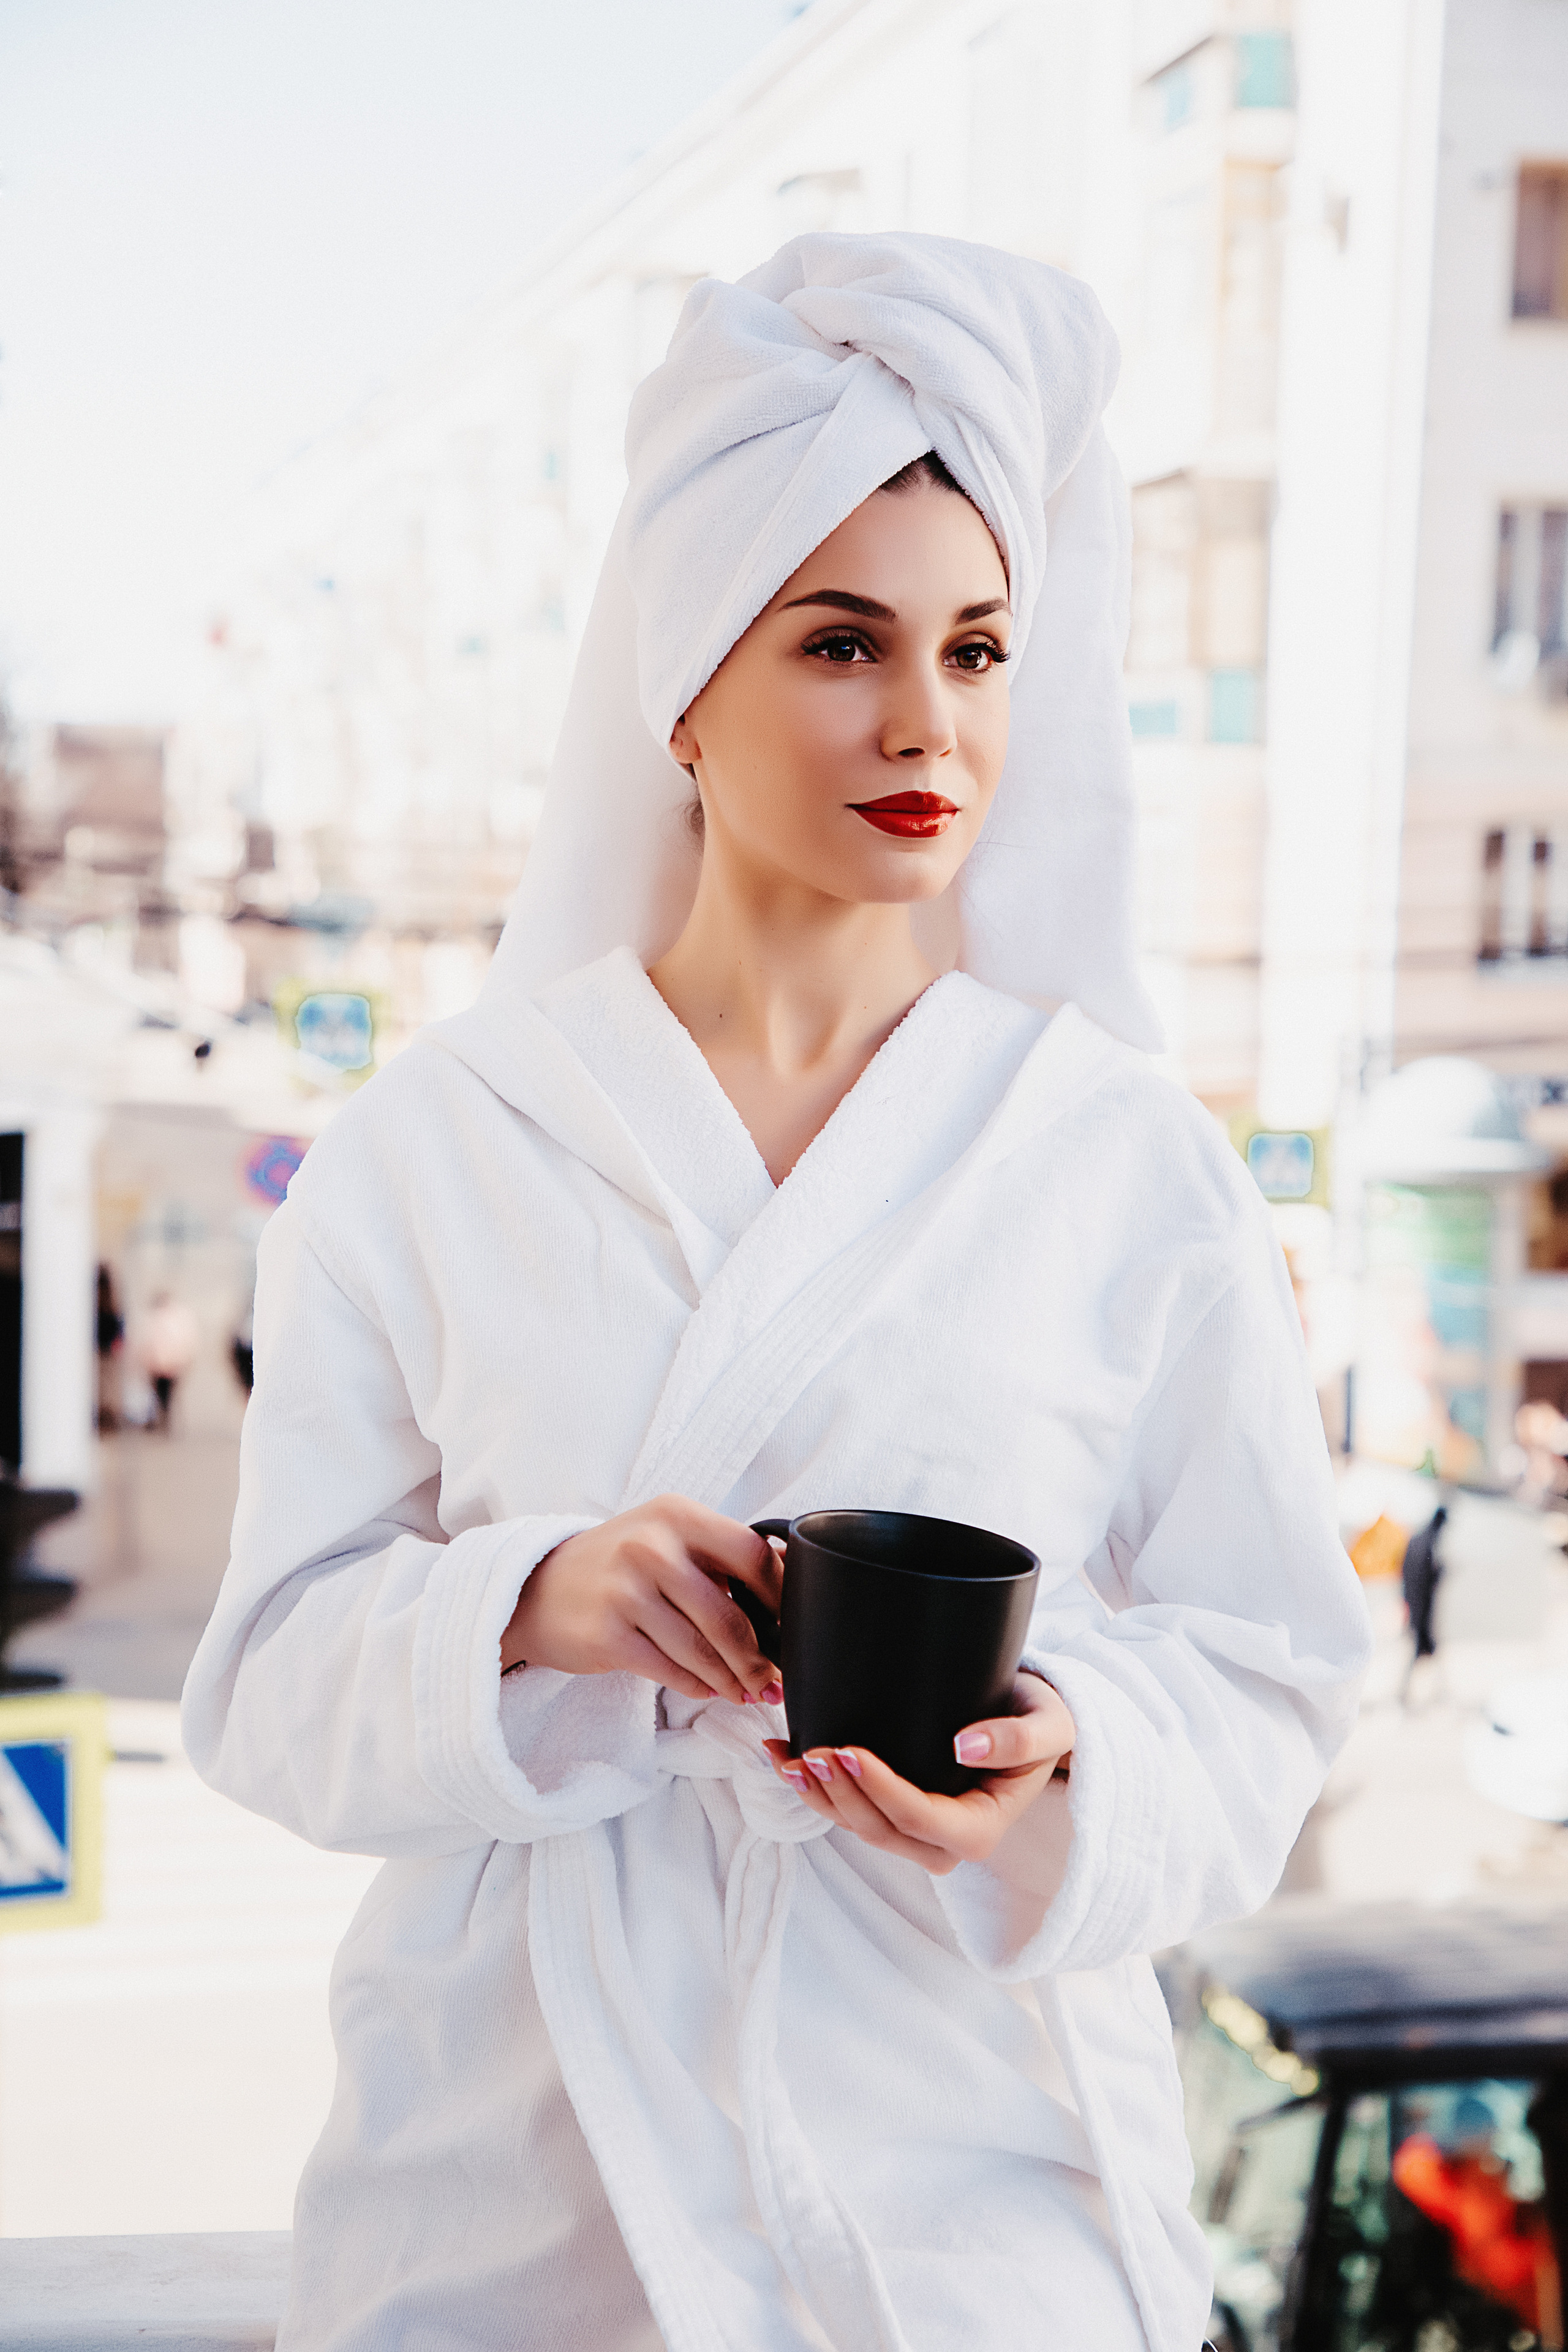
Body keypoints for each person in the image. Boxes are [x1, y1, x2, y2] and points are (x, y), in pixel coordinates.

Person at [181, 233, 1371, 2352]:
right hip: (512, 2212)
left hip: (973, 2218)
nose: (929, 722)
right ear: (684, 688)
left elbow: (1275, 1677)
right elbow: (266, 1682)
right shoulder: (429, 1154)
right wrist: (529, 1605)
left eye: (984, 651)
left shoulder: (1123, 1165)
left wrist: (1064, 1747)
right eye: (842, 643)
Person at [137, 1291, 198, 1434]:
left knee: (164, 1394)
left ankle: (164, 1419)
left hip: (165, 1364)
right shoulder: (173, 1318)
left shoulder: (163, 1318)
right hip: (166, 1364)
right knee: (164, 1395)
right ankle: (164, 1419)